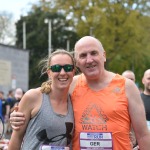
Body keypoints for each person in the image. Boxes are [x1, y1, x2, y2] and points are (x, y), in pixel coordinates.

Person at [10, 36, 150, 150]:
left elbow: (143, 136)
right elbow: (45, 98)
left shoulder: (127, 86)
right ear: (77, 63)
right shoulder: (71, 84)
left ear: (104, 56)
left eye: (94, 53)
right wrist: (18, 116)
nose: (89, 60)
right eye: (83, 55)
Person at [8, 49, 75, 150]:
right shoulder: (33, 97)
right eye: (56, 68)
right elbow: (16, 139)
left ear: (73, 71)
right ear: (49, 73)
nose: (62, 72)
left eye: (68, 67)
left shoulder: (74, 100)